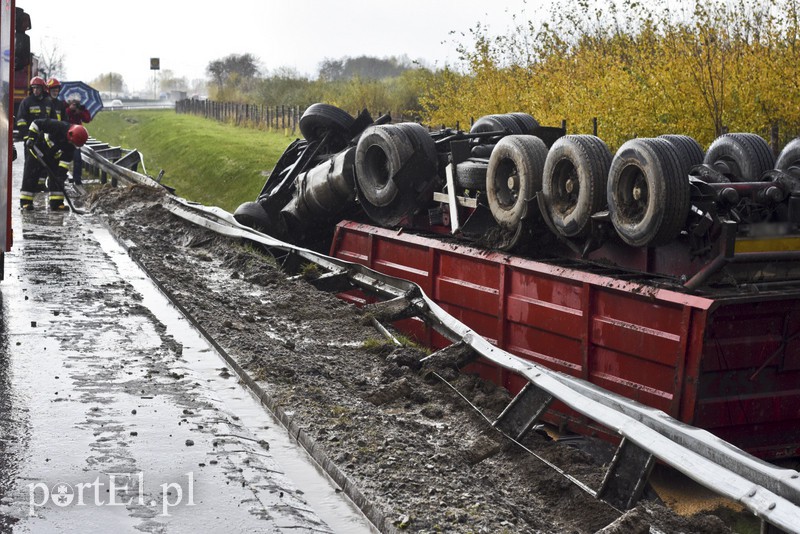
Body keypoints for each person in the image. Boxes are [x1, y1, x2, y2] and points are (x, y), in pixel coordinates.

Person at [19, 118, 88, 211]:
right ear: (70, 134)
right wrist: (31, 138)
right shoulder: (58, 126)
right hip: (37, 150)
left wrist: (61, 174)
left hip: (53, 157)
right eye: (71, 142)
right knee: (31, 174)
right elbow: (36, 123)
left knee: (57, 178)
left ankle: (57, 204)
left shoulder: (71, 147)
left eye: (73, 143)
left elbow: (64, 162)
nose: (70, 144)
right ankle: (26, 202)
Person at [16, 76, 54, 192]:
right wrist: (27, 137)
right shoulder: (26, 102)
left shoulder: (48, 102)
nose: (36, 90)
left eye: (38, 88)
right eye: (33, 88)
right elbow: (21, 121)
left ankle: (40, 185)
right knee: (30, 166)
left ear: (43, 89)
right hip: (31, 141)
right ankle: (29, 190)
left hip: (44, 140)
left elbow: (52, 120)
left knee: (44, 164)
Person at [64, 95, 91, 185]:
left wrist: (80, 112)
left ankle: (77, 178)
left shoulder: (81, 108)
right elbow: (63, 117)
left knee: (77, 158)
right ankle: (62, 176)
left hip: (77, 136)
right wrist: (70, 109)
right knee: (64, 158)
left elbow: (87, 119)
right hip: (66, 135)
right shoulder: (65, 107)